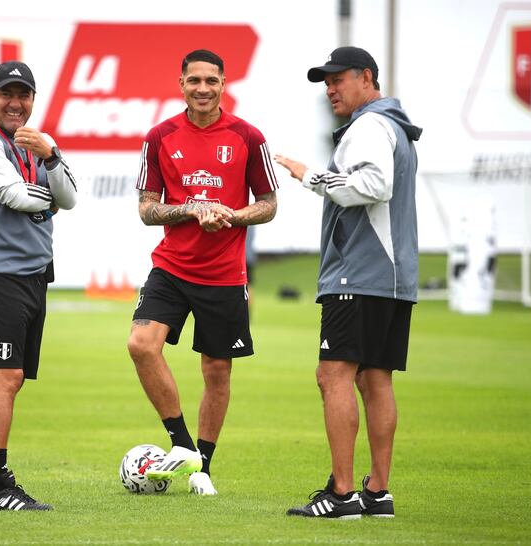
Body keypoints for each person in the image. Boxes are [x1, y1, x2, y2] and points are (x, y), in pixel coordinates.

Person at [275, 46, 421, 519]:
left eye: (338, 80)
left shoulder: (370, 126)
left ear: (367, 77)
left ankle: (341, 495)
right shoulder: (394, 125)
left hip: (357, 273)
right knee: (375, 379)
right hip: (393, 277)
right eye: (326, 82)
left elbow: (375, 185)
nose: (330, 89)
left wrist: (310, 176)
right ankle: (377, 493)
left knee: (332, 375)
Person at [128, 49, 278, 496]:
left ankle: (202, 469)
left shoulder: (248, 137)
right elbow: (146, 209)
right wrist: (191, 211)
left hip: (225, 274)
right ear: (181, 85)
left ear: (223, 84)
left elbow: (269, 205)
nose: (203, 89)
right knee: (140, 344)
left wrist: (230, 216)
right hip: (171, 268)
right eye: (194, 81)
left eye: (211, 81)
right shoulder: (160, 137)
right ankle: (181, 445)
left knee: (216, 371)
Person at [0, 61, 78, 511]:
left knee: (5, 381)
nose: (15, 103)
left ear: (32, 100)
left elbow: (70, 198)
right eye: (6, 94)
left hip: (33, 274)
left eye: (23, 95)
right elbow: (18, 196)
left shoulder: (37, 144)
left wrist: (51, 158)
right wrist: (49, 183)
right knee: (3, 377)